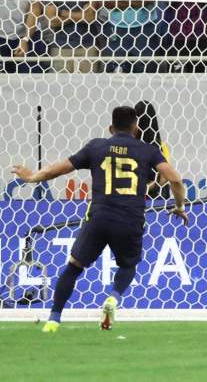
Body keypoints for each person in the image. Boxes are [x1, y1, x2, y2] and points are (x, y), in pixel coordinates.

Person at [11, 106, 188, 332]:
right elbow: (175, 179)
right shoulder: (147, 151)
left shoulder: (97, 147)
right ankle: (113, 298)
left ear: (111, 128)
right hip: (130, 219)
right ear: (136, 129)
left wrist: (34, 177)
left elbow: (61, 168)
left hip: (99, 218)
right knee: (128, 266)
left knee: (73, 267)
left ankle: (54, 320)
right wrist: (180, 206)